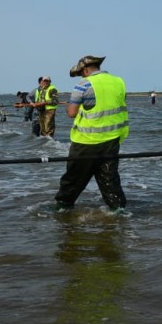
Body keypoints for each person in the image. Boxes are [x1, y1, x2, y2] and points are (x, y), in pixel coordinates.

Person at [55, 55, 129, 210]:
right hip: (112, 139)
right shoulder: (118, 82)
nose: (81, 76)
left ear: (86, 69)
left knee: (74, 178)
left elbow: (72, 113)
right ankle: (118, 210)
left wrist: (71, 105)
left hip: (85, 141)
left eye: (81, 72)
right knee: (109, 178)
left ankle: (63, 208)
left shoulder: (83, 84)